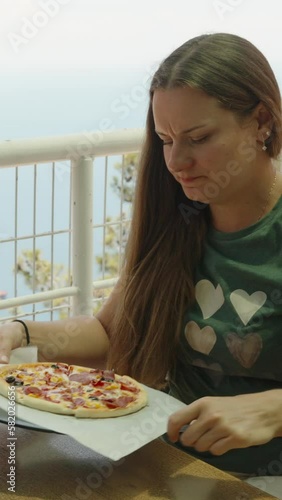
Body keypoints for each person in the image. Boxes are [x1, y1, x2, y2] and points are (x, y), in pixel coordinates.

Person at [1, 33, 282, 483]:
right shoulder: (178, 221)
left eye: (198, 137)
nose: (176, 162)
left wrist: (273, 409)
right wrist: (19, 332)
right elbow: (108, 333)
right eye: (166, 140)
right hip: (168, 464)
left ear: (262, 122)